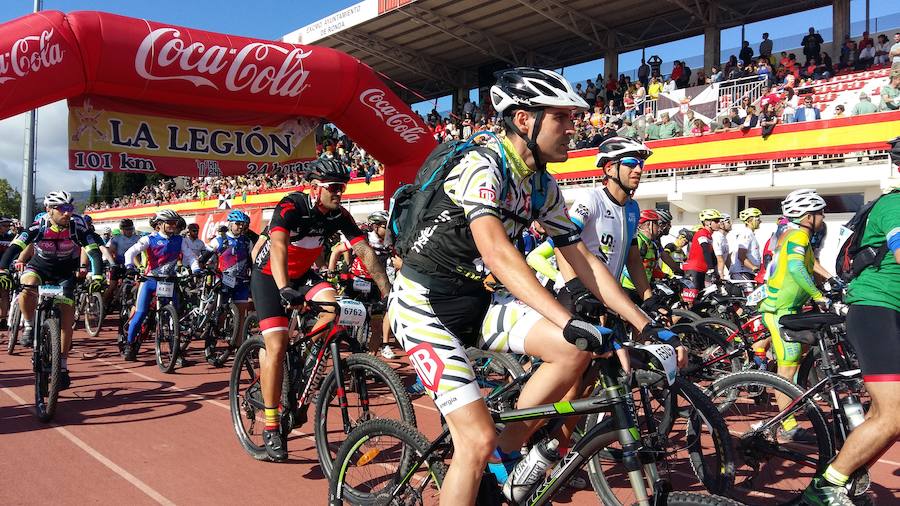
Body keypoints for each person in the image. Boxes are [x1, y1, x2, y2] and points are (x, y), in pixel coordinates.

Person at [390, 68, 679, 504]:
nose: (572, 128)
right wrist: (567, 319)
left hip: (480, 300)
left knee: (576, 351)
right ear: (525, 120)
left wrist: (643, 323)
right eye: (561, 117)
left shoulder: (542, 184)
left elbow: (582, 259)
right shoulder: (482, 164)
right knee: (474, 440)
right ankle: (487, 449)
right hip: (424, 303)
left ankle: (508, 451)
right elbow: (497, 253)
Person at [252, 158, 390, 462]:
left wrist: (387, 289)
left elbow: (363, 250)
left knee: (333, 310)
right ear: (314, 188)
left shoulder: (339, 215)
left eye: (343, 187)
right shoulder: (291, 206)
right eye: (334, 188)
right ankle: (272, 425)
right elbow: (277, 246)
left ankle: (305, 359)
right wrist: (284, 288)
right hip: (269, 277)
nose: (340, 193)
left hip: (303, 276)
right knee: (276, 346)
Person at [803, 154, 900, 505]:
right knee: (893, 415)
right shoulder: (896, 204)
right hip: (877, 309)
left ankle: (844, 479)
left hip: (890, 310)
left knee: (885, 415)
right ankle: (825, 489)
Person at [0, 191, 105, 389]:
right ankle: (30, 325)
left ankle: (63, 365)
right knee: (27, 285)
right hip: (39, 267)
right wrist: (3, 270)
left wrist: (98, 275)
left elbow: (94, 252)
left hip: (65, 272)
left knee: (66, 319)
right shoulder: (38, 226)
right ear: (49, 210)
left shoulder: (77, 227)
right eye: (62, 209)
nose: (67, 213)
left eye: (70, 209)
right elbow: (14, 248)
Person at [759, 189, 829, 443]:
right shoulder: (798, 234)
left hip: (790, 309)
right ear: (808, 216)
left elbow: (809, 266)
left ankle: (788, 411)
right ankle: (787, 426)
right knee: (786, 370)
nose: (823, 217)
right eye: (820, 213)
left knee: (793, 363)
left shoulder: (796, 235)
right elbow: (797, 268)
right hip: (780, 310)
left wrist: (830, 281)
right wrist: (817, 295)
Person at [122, 210, 201, 361]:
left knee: (175, 316)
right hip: (150, 281)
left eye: (174, 223)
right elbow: (130, 253)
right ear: (159, 224)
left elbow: (190, 256)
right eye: (169, 223)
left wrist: (196, 268)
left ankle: (175, 351)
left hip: (170, 281)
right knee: (140, 314)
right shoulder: (149, 239)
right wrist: (129, 266)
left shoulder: (180, 240)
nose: (173, 225)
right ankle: (130, 344)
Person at [328, 210, 395, 359]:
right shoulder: (363, 238)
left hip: (375, 286)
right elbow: (337, 251)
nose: (388, 230)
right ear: (376, 226)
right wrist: (331, 271)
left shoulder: (389, 243)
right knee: (336, 314)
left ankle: (370, 360)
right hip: (355, 281)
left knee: (376, 326)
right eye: (385, 226)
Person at [200, 209, 254, 363]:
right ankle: (212, 338)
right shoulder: (220, 240)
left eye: (243, 225)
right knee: (221, 313)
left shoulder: (247, 241)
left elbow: (251, 260)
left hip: (242, 282)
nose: (240, 227)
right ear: (230, 224)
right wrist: (203, 267)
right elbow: (204, 257)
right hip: (224, 281)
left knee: (241, 316)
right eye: (237, 224)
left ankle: (238, 347)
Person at [682, 209, 723, 292]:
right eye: (716, 221)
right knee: (692, 300)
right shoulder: (702, 233)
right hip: (694, 269)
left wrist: (716, 272)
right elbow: (705, 250)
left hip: (701, 269)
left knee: (701, 299)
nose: (719, 223)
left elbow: (712, 255)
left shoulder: (709, 235)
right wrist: (711, 269)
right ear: (707, 222)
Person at [729, 208, 762, 281]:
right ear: (749, 221)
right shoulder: (746, 234)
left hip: (748, 272)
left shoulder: (750, 234)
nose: (760, 221)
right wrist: (753, 268)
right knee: (750, 292)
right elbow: (741, 256)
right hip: (742, 272)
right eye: (757, 219)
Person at [712, 213, 732, 279]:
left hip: (718, 272)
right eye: (728, 222)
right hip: (714, 273)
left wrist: (732, 272)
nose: (731, 224)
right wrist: (721, 276)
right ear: (721, 224)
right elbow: (719, 259)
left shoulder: (724, 238)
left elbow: (726, 258)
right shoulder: (717, 237)